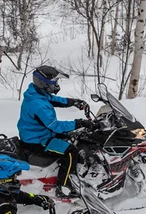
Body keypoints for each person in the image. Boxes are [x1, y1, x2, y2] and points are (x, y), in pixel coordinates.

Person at [17, 65, 95, 197]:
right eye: (54, 82)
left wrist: (73, 102)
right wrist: (80, 123)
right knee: (71, 152)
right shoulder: (39, 105)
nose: (56, 85)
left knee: (72, 136)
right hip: (38, 141)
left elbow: (54, 100)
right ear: (45, 84)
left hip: (37, 133)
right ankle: (63, 187)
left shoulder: (35, 93)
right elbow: (55, 126)